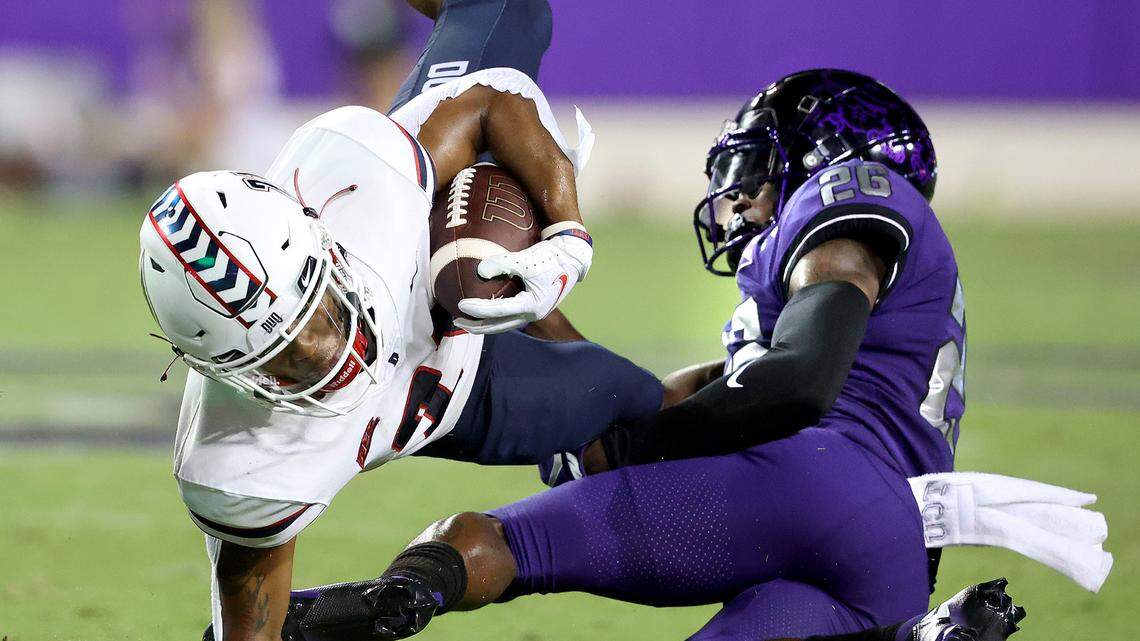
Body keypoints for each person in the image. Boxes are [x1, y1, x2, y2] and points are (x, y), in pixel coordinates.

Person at [245, 58, 992, 639]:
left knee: (497, 541)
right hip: (896, 555)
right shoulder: (885, 303)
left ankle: (317, 619)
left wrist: (648, 442)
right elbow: (695, 394)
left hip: (815, 480)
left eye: (758, 170)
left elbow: (796, 384)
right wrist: (527, 306)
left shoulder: (851, 199)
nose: (737, 196)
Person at [140, 1, 669, 639]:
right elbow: (247, 628)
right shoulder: (235, 464)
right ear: (217, 369)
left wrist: (566, 233)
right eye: (277, 355)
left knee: (506, 6)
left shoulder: (360, 176)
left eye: (317, 309)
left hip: (419, 291)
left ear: (317, 234)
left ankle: (515, 320)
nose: (319, 352)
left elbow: (493, 101)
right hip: (446, 395)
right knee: (622, 401)